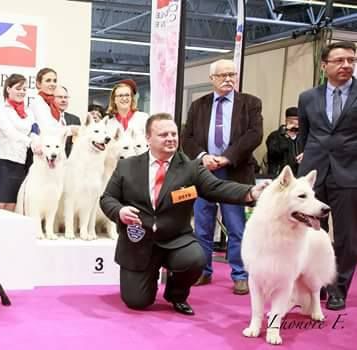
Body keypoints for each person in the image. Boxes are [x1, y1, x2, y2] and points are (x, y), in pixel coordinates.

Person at [100, 113, 265, 316]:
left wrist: (250, 192)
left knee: (196, 258)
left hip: (175, 240)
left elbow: (218, 187)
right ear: (148, 137)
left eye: (174, 134)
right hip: (138, 242)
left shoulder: (191, 168)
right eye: (163, 134)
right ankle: (147, 278)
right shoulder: (127, 166)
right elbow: (107, 199)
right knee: (137, 302)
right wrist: (120, 211)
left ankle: (176, 294)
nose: (171, 138)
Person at [181, 59, 263, 295]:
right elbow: (187, 138)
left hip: (235, 172)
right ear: (212, 79)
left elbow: (254, 135)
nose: (228, 79)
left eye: (232, 74)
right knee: (202, 227)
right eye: (223, 75)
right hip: (204, 172)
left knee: (236, 227)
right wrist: (204, 156)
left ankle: (240, 274)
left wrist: (226, 157)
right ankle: (202, 270)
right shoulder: (198, 106)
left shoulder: (250, 103)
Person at [297, 41, 357, 311]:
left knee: (347, 236)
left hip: (350, 173)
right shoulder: (308, 97)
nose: (347, 65)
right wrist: (305, 161)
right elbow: (305, 135)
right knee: (309, 232)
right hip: (313, 172)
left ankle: (337, 289)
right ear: (325, 66)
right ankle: (313, 284)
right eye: (340, 60)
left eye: (351, 60)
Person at [0, 74, 41, 211]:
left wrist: (36, 140)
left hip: (20, 163)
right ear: (8, 89)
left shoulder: (28, 112)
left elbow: (34, 129)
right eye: (18, 88)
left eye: (24, 89)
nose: (22, 92)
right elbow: (10, 133)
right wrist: (30, 142)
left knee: (13, 205)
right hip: (2, 161)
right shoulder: (1, 110)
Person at [265, 107, 302, 177]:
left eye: (297, 120)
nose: (295, 123)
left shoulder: (303, 137)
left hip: (298, 176)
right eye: (291, 121)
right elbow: (274, 152)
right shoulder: (275, 136)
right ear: (286, 121)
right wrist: (286, 135)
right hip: (278, 175)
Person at [29, 67, 66, 134]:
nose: (52, 84)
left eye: (54, 81)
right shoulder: (37, 103)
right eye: (48, 81)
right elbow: (46, 129)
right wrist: (70, 130)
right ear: (38, 84)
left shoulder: (53, 104)